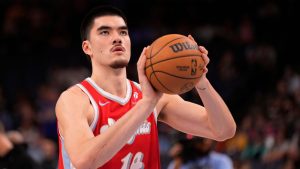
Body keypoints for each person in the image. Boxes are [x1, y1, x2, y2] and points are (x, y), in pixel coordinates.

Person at [55, 5, 236, 169]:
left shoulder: (155, 97)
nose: (117, 38)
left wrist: (201, 81)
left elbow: (223, 130)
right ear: (87, 47)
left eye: (123, 32)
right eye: (105, 32)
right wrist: (146, 105)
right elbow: (84, 161)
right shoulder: (75, 100)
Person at [167, 137, 234, 169]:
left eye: (207, 138)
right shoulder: (181, 161)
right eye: (200, 139)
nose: (206, 142)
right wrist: (177, 161)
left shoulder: (221, 160)